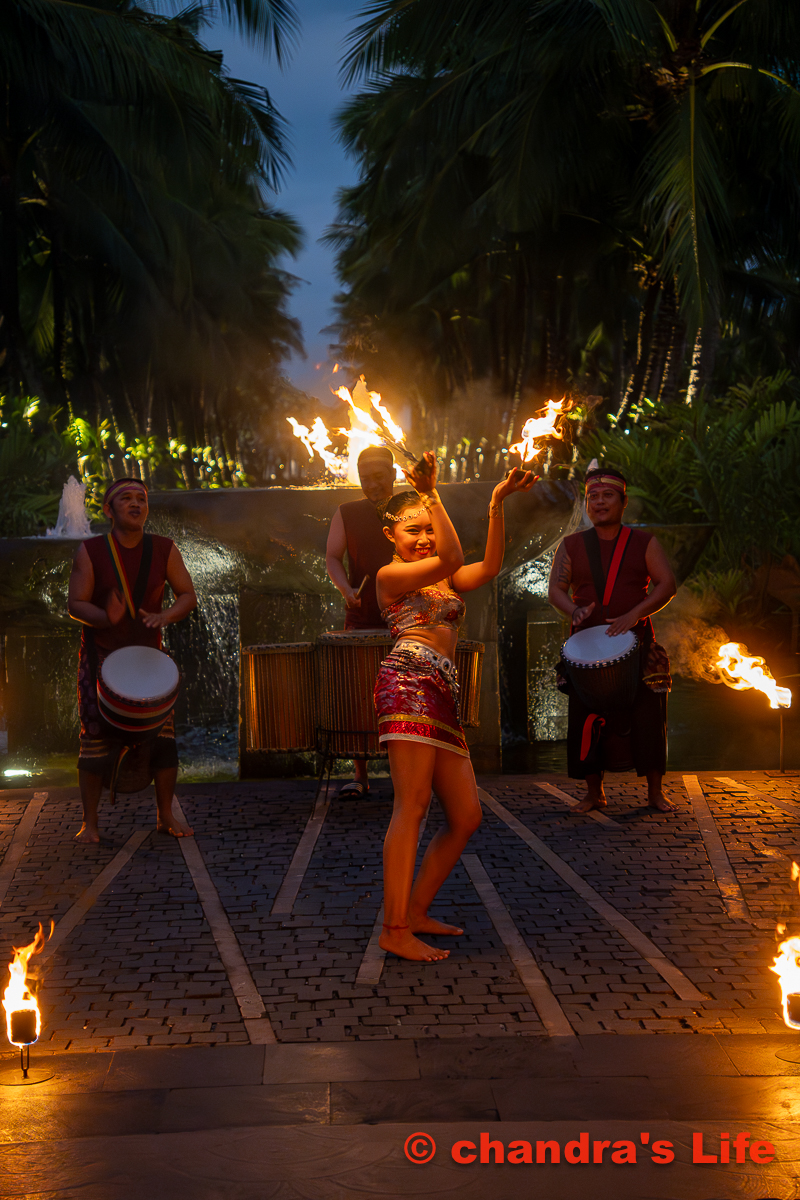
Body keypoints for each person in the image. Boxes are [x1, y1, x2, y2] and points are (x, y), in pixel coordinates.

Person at [374, 453, 535, 961]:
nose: (423, 538)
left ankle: (417, 910)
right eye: (412, 530)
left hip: (441, 688)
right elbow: (447, 556)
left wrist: (495, 504)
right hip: (408, 679)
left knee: (465, 815)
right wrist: (433, 495)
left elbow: (487, 566)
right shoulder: (387, 576)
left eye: (428, 529)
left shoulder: (446, 581)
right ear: (390, 535)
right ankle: (395, 926)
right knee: (413, 805)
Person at [68, 478, 197, 842]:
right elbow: (75, 603)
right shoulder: (91, 551)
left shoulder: (165, 549)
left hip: (149, 660)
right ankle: (89, 823)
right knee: (94, 739)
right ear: (108, 510)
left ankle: (165, 815)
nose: (136, 504)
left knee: (164, 739)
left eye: (141, 498)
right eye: (126, 499)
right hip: (101, 659)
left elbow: (187, 595)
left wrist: (166, 616)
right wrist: (103, 616)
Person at [548, 466, 677, 814]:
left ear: (623, 501)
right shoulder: (572, 545)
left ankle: (655, 792)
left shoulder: (644, 543)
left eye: (607, 496)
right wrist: (572, 611)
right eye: (593, 497)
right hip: (586, 647)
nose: (599, 502)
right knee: (585, 716)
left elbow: (667, 584)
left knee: (649, 716)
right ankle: (594, 793)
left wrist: (635, 613)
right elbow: (556, 590)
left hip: (636, 642)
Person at [325, 445, 396, 797]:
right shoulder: (348, 512)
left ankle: (405, 773)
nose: (372, 485)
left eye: (379, 477)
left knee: (403, 694)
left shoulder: (411, 507)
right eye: (365, 479)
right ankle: (360, 774)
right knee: (360, 692)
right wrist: (345, 587)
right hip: (362, 610)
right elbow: (332, 557)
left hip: (405, 612)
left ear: (394, 475)